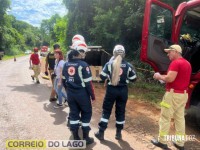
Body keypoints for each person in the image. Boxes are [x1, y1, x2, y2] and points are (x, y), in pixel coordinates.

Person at [151, 44, 192, 150]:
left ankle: (162, 141)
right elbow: (175, 78)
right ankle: (179, 143)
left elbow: (170, 79)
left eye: (169, 52)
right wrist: (163, 77)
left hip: (172, 95)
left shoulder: (175, 63)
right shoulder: (187, 63)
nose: (168, 54)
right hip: (183, 95)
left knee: (165, 118)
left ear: (176, 52)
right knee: (179, 119)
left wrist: (158, 76)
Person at [94, 45, 137, 140]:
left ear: (114, 53)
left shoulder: (109, 64)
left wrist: (110, 77)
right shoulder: (129, 65)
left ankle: (101, 132)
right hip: (123, 91)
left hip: (111, 90)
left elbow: (102, 77)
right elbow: (133, 79)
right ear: (124, 54)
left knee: (106, 111)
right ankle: (118, 133)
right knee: (121, 111)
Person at [62, 40, 95, 145]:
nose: (84, 54)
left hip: (71, 94)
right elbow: (89, 84)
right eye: (83, 52)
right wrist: (92, 96)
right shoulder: (83, 65)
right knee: (86, 113)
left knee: (73, 114)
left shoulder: (66, 64)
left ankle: (76, 137)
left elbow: (63, 81)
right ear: (79, 52)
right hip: (82, 94)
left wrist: (68, 91)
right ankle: (86, 138)